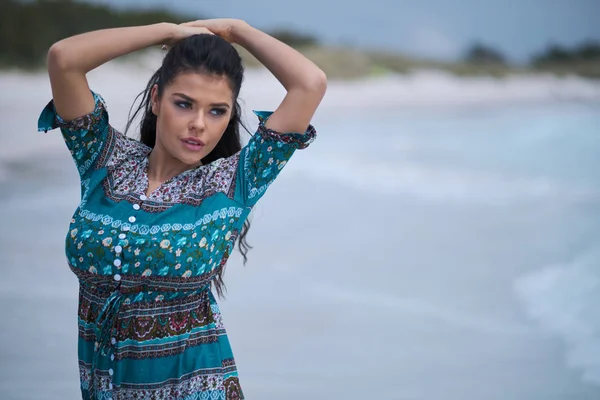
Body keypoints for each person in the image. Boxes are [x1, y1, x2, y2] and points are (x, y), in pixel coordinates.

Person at [37, 18, 326, 400]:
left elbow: (310, 84)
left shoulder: (233, 183)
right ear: (156, 99)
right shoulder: (104, 160)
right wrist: (167, 32)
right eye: (184, 104)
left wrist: (236, 29)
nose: (198, 125)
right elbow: (63, 59)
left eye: (217, 111)